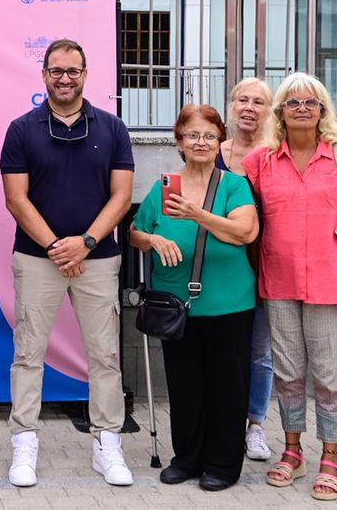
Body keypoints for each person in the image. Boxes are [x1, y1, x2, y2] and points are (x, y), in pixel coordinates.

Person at [1, 38, 135, 488]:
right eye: (56, 71)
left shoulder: (113, 128)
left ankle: (107, 443)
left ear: (85, 74)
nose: (64, 78)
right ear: (43, 75)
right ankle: (24, 441)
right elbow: (16, 200)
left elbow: (121, 196)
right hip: (38, 258)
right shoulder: (22, 129)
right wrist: (60, 246)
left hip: (98, 259)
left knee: (104, 355)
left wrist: (88, 242)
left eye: (73, 71)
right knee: (28, 354)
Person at [242, 72, 337, 501]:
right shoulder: (260, 162)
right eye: (293, 103)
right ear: (279, 112)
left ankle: (331, 456)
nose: (302, 109)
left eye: (310, 102)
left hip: (330, 284)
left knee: (329, 375)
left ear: (322, 110)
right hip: (277, 281)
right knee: (287, 373)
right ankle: (293, 450)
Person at [130, 104, 259, 491]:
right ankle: (186, 458)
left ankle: (223, 464)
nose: (201, 142)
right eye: (192, 136)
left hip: (229, 304)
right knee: (184, 385)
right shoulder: (163, 186)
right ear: (180, 143)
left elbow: (245, 232)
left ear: (220, 140)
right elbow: (136, 231)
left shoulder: (234, 185)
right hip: (177, 306)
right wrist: (152, 238)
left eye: (209, 135)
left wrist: (196, 214)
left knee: (227, 385)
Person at [217, 77, 276, 461]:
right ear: (232, 105)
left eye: (259, 101)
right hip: (220, 266)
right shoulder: (211, 149)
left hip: (265, 261)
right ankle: (223, 422)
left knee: (259, 351)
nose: (249, 107)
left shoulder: (276, 153)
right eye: (242, 99)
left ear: (269, 111)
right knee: (223, 348)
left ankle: (255, 425)